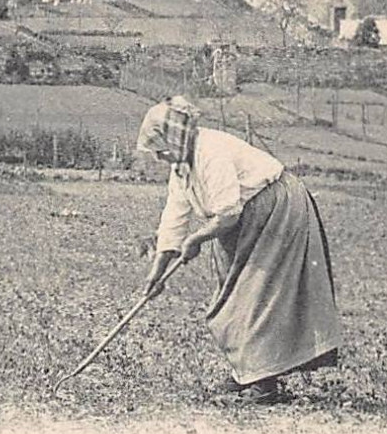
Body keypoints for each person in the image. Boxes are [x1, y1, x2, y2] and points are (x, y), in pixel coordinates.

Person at [137, 96, 341, 403]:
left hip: (276, 209)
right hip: (242, 220)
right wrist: (158, 272)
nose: (158, 156)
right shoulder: (182, 166)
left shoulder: (210, 153)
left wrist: (196, 240)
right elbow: (174, 218)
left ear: (175, 136)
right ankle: (247, 372)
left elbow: (228, 213)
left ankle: (263, 383)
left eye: (160, 148)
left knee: (256, 296)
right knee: (233, 293)